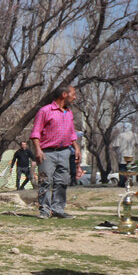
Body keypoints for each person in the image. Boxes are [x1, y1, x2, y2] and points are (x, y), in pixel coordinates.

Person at [31, 85, 82, 218]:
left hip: (64, 152)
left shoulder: (68, 113)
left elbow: (71, 133)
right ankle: (45, 210)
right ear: (64, 95)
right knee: (45, 181)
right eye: (73, 94)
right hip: (47, 152)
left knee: (62, 181)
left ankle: (58, 209)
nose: (75, 97)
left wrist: (76, 148)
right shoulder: (45, 111)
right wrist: (38, 150)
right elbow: (36, 132)